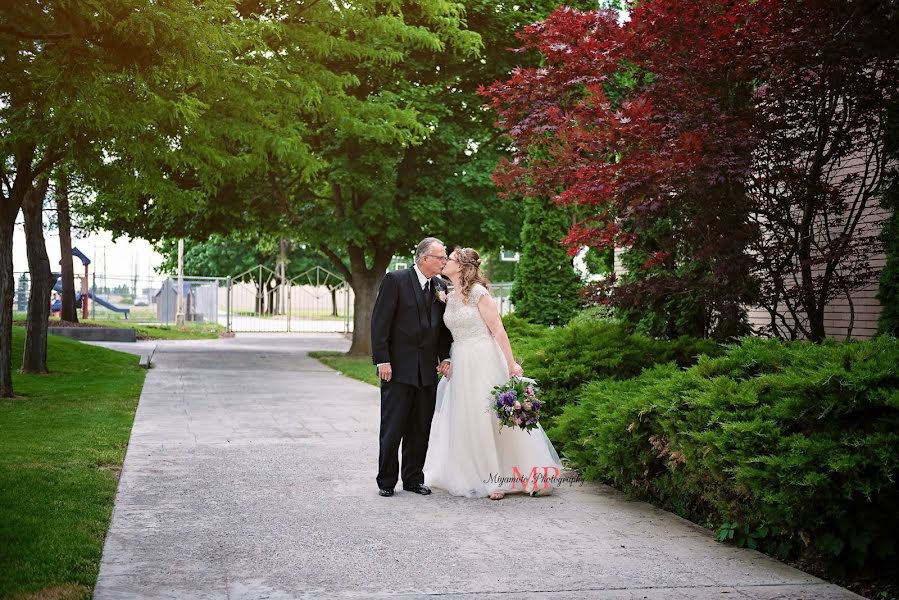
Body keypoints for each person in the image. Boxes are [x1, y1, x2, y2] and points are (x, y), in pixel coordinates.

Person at [423, 247, 563, 500]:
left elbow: (498, 329)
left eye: (450, 259)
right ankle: (473, 471)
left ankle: (496, 478)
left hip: (483, 358)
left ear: (462, 266)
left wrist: (511, 365)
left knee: (488, 416)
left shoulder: (479, 293)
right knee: (466, 418)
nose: (444, 262)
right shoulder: (449, 296)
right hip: (460, 359)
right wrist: (445, 359)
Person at [370, 237, 453, 497]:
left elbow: (442, 329)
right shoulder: (395, 280)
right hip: (397, 369)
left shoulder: (441, 286)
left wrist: (445, 356)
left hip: (427, 371)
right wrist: (382, 360)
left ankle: (413, 478)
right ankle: (386, 481)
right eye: (441, 257)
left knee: (420, 428)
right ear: (424, 258)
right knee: (393, 427)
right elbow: (380, 322)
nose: (444, 261)